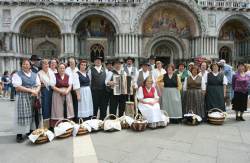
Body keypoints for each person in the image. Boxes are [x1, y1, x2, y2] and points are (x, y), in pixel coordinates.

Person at [12, 58, 41, 142]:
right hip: (22, 97)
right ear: (21, 65)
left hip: (32, 96)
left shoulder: (34, 74)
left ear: (30, 65)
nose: (25, 65)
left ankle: (29, 131)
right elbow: (17, 87)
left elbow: (38, 84)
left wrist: (36, 91)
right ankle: (19, 134)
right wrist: (31, 90)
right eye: (23, 64)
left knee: (31, 114)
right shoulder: (17, 74)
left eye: (27, 64)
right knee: (21, 115)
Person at [88, 56, 107, 120]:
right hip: (94, 92)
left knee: (103, 107)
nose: (98, 61)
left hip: (103, 92)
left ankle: (102, 121)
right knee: (94, 107)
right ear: (94, 62)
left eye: (99, 60)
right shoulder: (91, 70)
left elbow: (107, 81)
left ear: (101, 62)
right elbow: (89, 82)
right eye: (96, 60)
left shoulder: (105, 70)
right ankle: (94, 122)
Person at [38, 59, 55, 129]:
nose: (46, 65)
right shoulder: (39, 73)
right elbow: (38, 84)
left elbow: (54, 81)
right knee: (45, 109)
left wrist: (46, 84)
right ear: (41, 65)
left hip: (52, 91)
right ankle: (46, 127)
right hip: (44, 92)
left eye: (47, 64)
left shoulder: (51, 71)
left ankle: (52, 125)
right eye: (44, 64)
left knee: (53, 108)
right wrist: (43, 85)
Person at [65, 57, 79, 122]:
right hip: (69, 89)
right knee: (69, 104)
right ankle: (70, 119)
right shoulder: (66, 70)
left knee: (76, 104)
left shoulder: (77, 70)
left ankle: (76, 118)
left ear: (75, 63)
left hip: (76, 89)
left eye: (73, 62)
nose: (71, 63)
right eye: (70, 62)